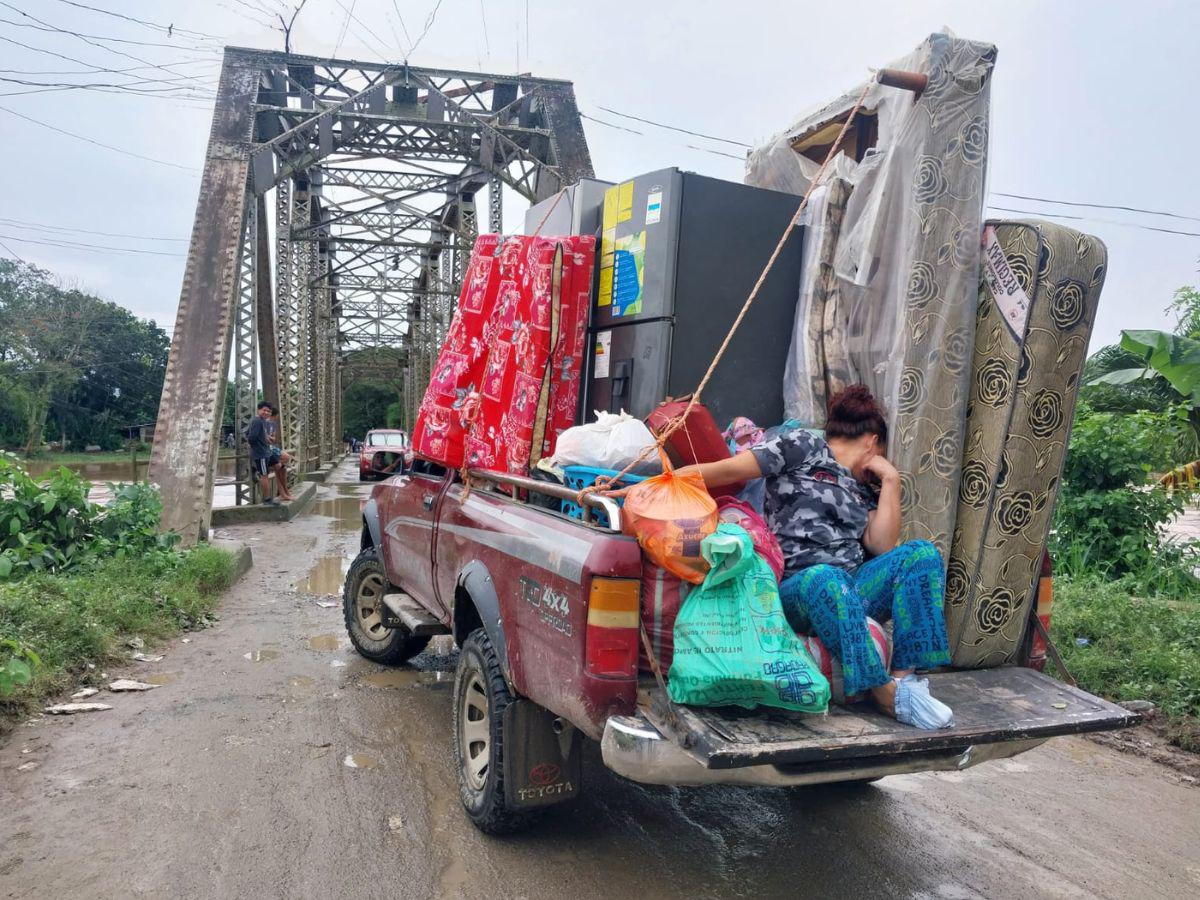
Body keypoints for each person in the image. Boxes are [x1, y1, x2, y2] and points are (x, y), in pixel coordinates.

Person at [645, 385, 954, 730]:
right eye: (883, 450)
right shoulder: (802, 445)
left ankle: (903, 683)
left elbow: (881, 546)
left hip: (849, 590)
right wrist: (646, 486)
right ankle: (880, 690)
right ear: (872, 441)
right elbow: (725, 471)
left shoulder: (864, 487)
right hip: (797, 589)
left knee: (921, 555)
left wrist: (892, 480)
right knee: (825, 578)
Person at [246, 401, 280, 506]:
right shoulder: (257, 421)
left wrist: (265, 439)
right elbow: (251, 437)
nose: (266, 413)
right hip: (260, 454)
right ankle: (267, 500)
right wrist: (257, 447)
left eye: (268, 411)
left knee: (279, 465)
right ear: (259, 410)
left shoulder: (262, 421)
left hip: (266, 452)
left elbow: (249, 433)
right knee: (264, 476)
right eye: (264, 410)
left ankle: (256, 470)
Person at [265, 404, 295, 502]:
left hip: (270, 447)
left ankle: (284, 492)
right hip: (266, 449)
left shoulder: (272, 424)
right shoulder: (265, 423)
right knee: (282, 465)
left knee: (284, 465)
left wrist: (269, 438)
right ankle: (283, 493)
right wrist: (269, 438)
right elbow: (265, 439)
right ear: (275, 415)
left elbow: (272, 439)